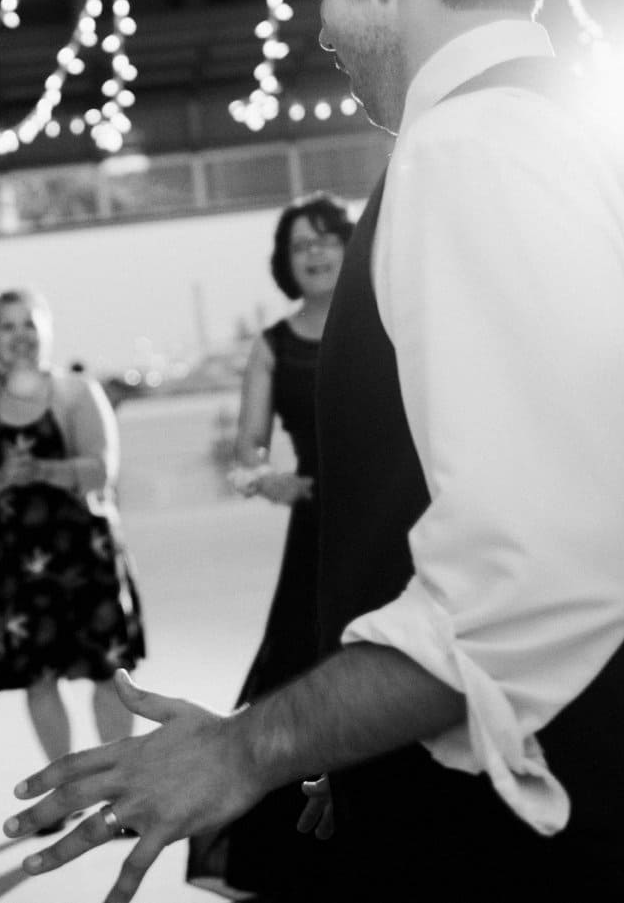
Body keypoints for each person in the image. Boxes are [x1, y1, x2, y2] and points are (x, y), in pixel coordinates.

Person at [3, 0, 624, 903]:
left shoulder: (474, 148)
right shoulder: (565, 131)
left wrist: (245, 749)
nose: (318, 26)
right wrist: (361, 744)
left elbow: (524, 569)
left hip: (572, 819)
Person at [185, 194, 350, 901]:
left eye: (326, 238)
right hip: (316, 529)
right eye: (299, 245)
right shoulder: (274, 344)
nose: (314, 252)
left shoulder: (382, 320)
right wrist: (272, 480)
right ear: (285, 263)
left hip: (393, 519)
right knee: (300, 672)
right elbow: (246, 455)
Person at [0, 289, 146, 801]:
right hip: (18, 567)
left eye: (29, 325)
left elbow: (103, 469)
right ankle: (68, 789)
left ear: (47, 332)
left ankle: (120, 789)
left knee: (108, 675)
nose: (20, 337)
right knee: (39, 680)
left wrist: (43, 471)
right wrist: (1, 480)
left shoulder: (78, 392)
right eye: (9, 327)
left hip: (88, 557)